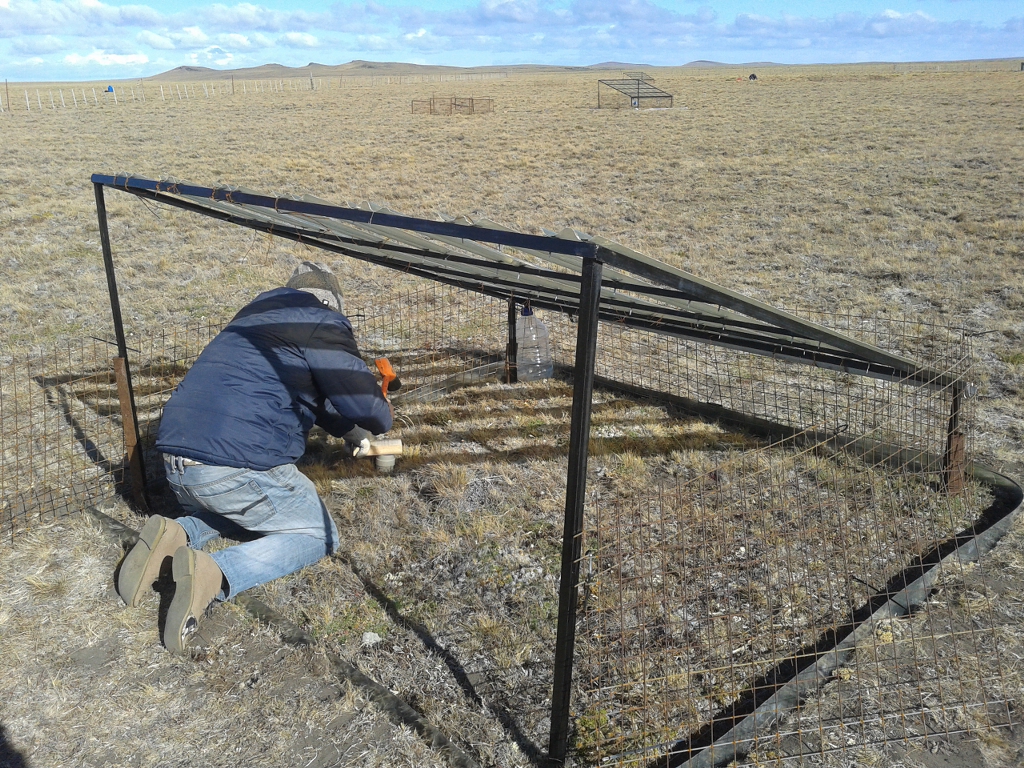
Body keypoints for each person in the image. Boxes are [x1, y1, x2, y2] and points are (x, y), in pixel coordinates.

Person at [116, 261, 392, 653]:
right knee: (317, 533)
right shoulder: (320, 321)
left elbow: (319, 399)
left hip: (178, 464)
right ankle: (214, 573)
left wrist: (351, 432)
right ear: (331, 303)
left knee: (251, 510)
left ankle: (177, 534)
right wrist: (381, 416)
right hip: (232, 466)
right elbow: (366, 405)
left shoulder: (257, 316)